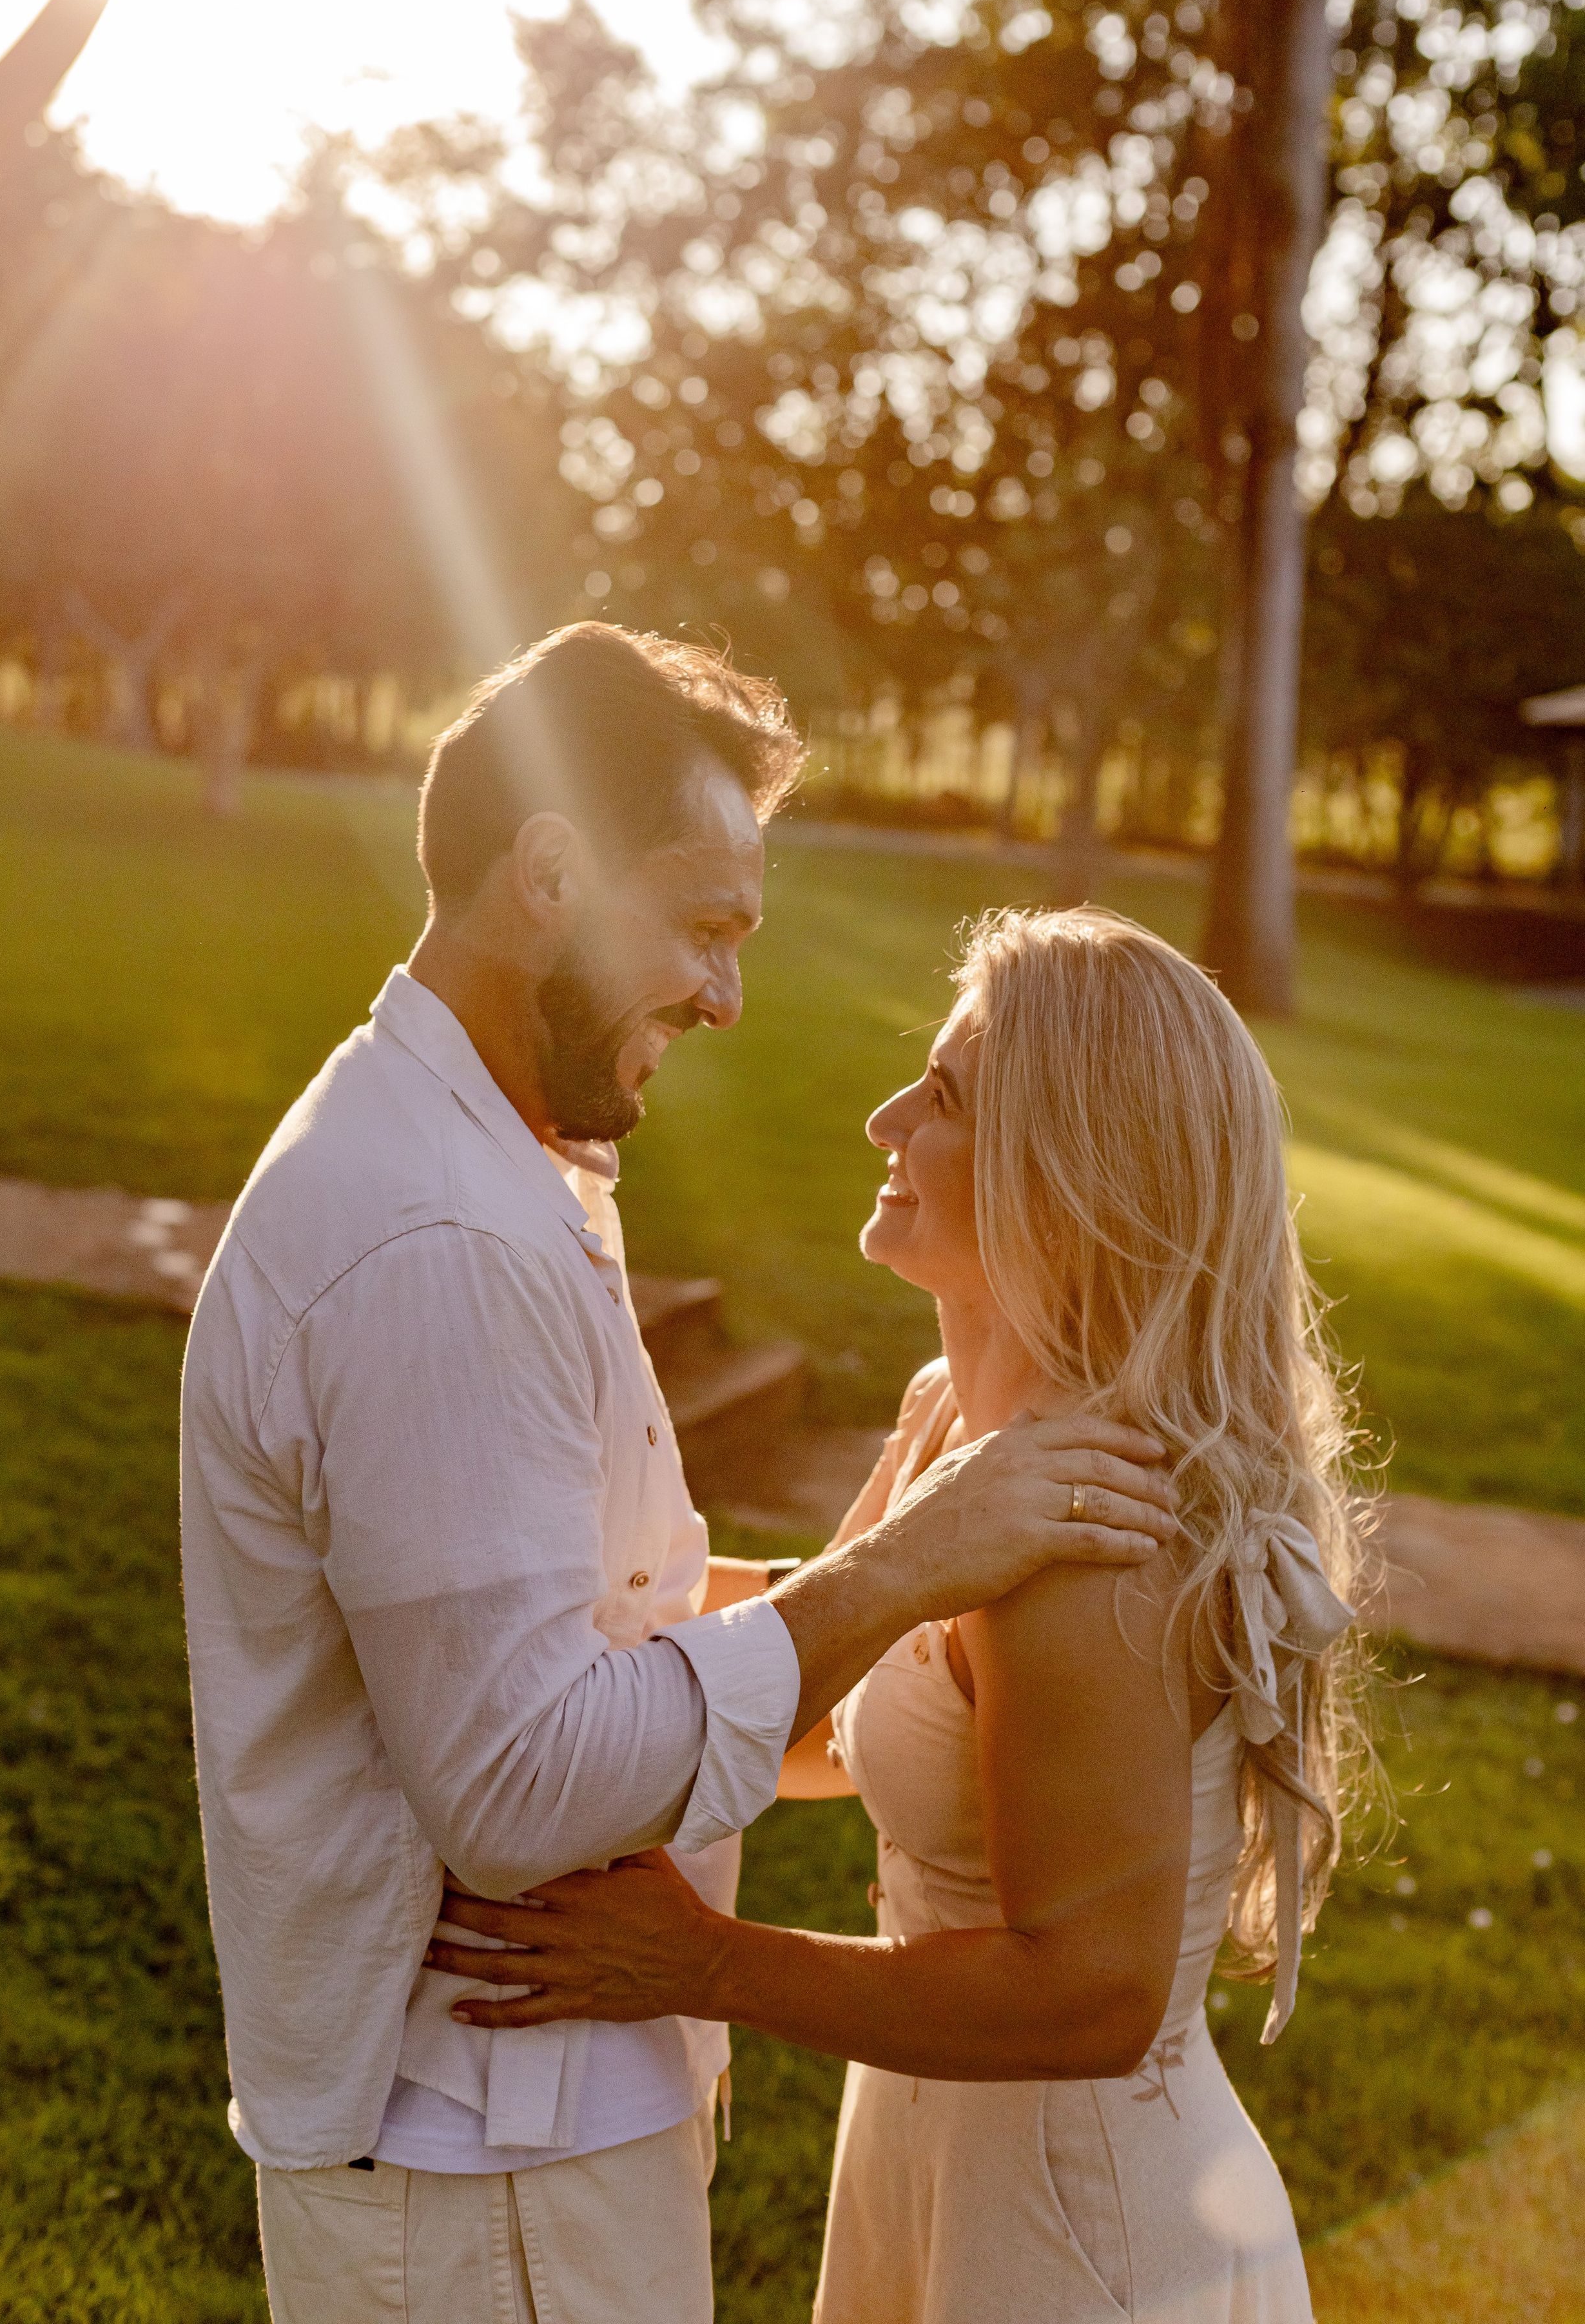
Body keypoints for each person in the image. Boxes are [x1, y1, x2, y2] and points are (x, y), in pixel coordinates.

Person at [179, 627, 1180, 2324]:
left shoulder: (499, 1160)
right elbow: (522, 1790)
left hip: (521, 2136)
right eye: (706, 927)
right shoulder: (440, 1238)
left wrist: (886, 1581)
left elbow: (575, 1618)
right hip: (481, 2162)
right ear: (550, 878)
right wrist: (902, 1571)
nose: (727, 997)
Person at [425, 904, 1373, 2324]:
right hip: (936, 2164)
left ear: (1066, 1172)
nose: (883, 1121)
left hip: (1077, 2230)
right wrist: (533, 1604)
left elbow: (1091, 1998)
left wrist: (700, 1963)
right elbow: (829, 1700)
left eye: (940, 1097)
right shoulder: (955, 1431)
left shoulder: (1088, 1539)